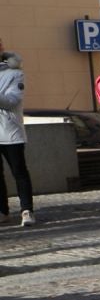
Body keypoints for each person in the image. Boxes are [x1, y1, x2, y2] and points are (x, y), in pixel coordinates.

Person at [0, 45, 33, 227]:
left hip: (10, 131)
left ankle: (27, 210)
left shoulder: (14, 73)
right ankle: (2, 211)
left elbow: (12, 101)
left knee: (19, 172)